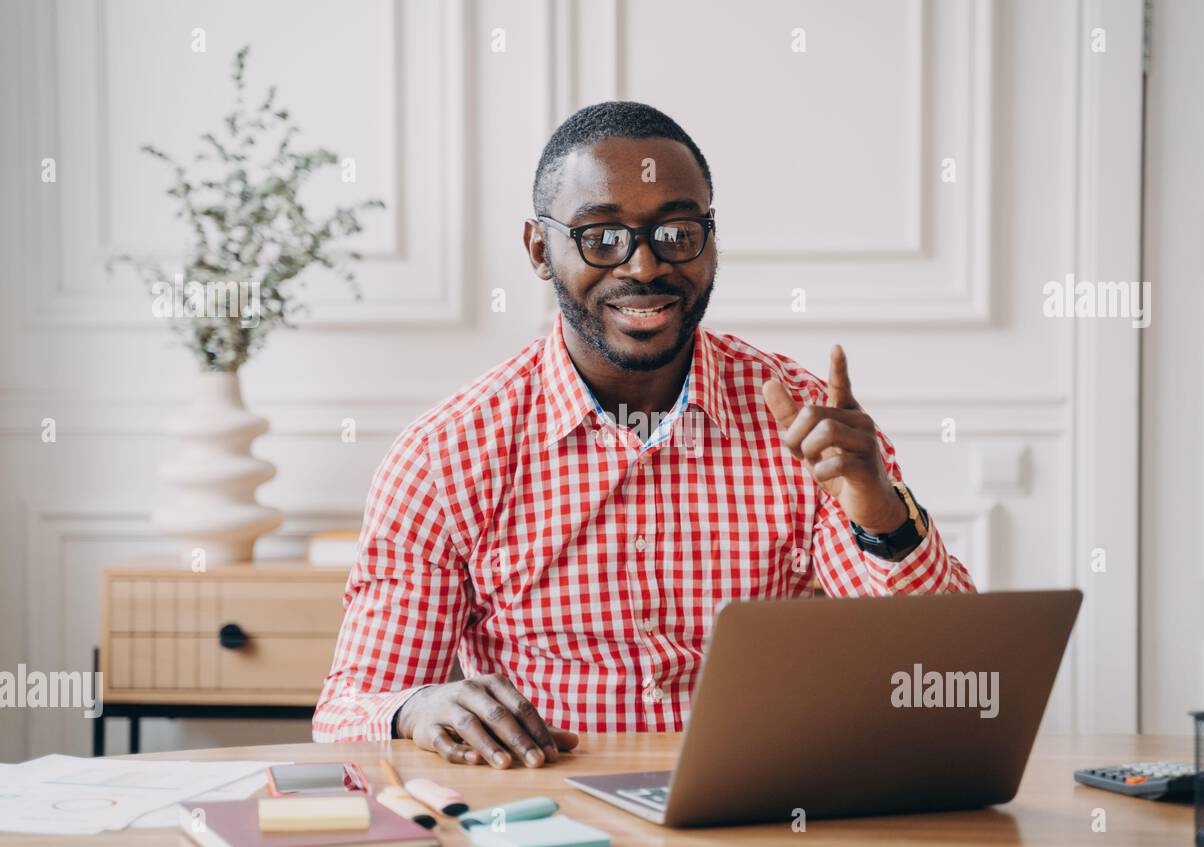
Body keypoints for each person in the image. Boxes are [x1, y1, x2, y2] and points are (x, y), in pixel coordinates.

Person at [312, 102, 975, 767]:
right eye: (601, 236)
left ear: (710, 241)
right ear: (541, 250)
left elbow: (941, 673)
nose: (644, 267)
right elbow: (351, 707)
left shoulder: (809, 422)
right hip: (550, 821)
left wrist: (877, 507)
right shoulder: (443, 457)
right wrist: (418, 706)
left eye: (677, 232)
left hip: (765, 811)